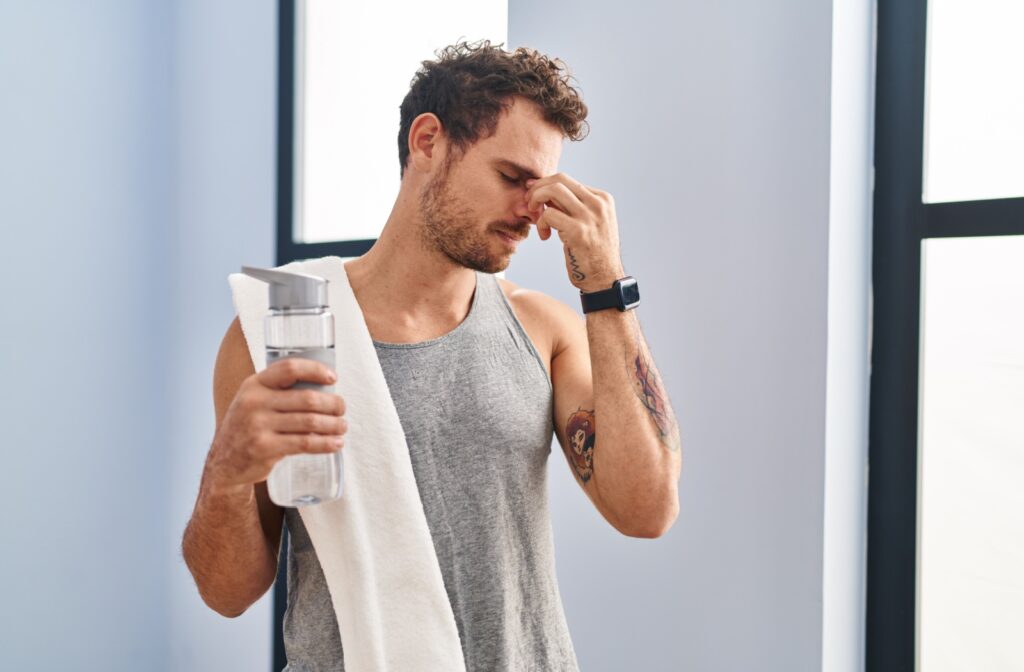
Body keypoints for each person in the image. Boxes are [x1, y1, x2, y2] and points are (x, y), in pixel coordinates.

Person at [182, 39, 682, 671]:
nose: (531, 213)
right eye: (511, 178)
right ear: (427, 142)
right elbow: (228, 594)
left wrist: (607, 288)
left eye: (542, 187)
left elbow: (649, 508)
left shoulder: (541, 329)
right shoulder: (282, 331)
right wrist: (225, 472)